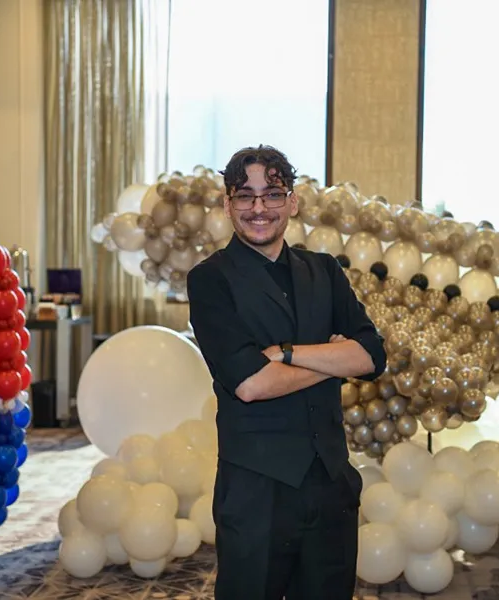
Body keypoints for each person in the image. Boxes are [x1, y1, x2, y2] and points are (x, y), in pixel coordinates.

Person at [186, 145, 387, 600]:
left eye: (272, 194)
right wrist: (333, 362)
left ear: (292, 202)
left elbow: (372, 356)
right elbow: (251, 384)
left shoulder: (325, 270)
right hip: (256, 490)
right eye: (245, 196)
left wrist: (288, 353)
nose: (259, 209)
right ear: (227, 204)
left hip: (331, 482)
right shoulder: (210, 279)